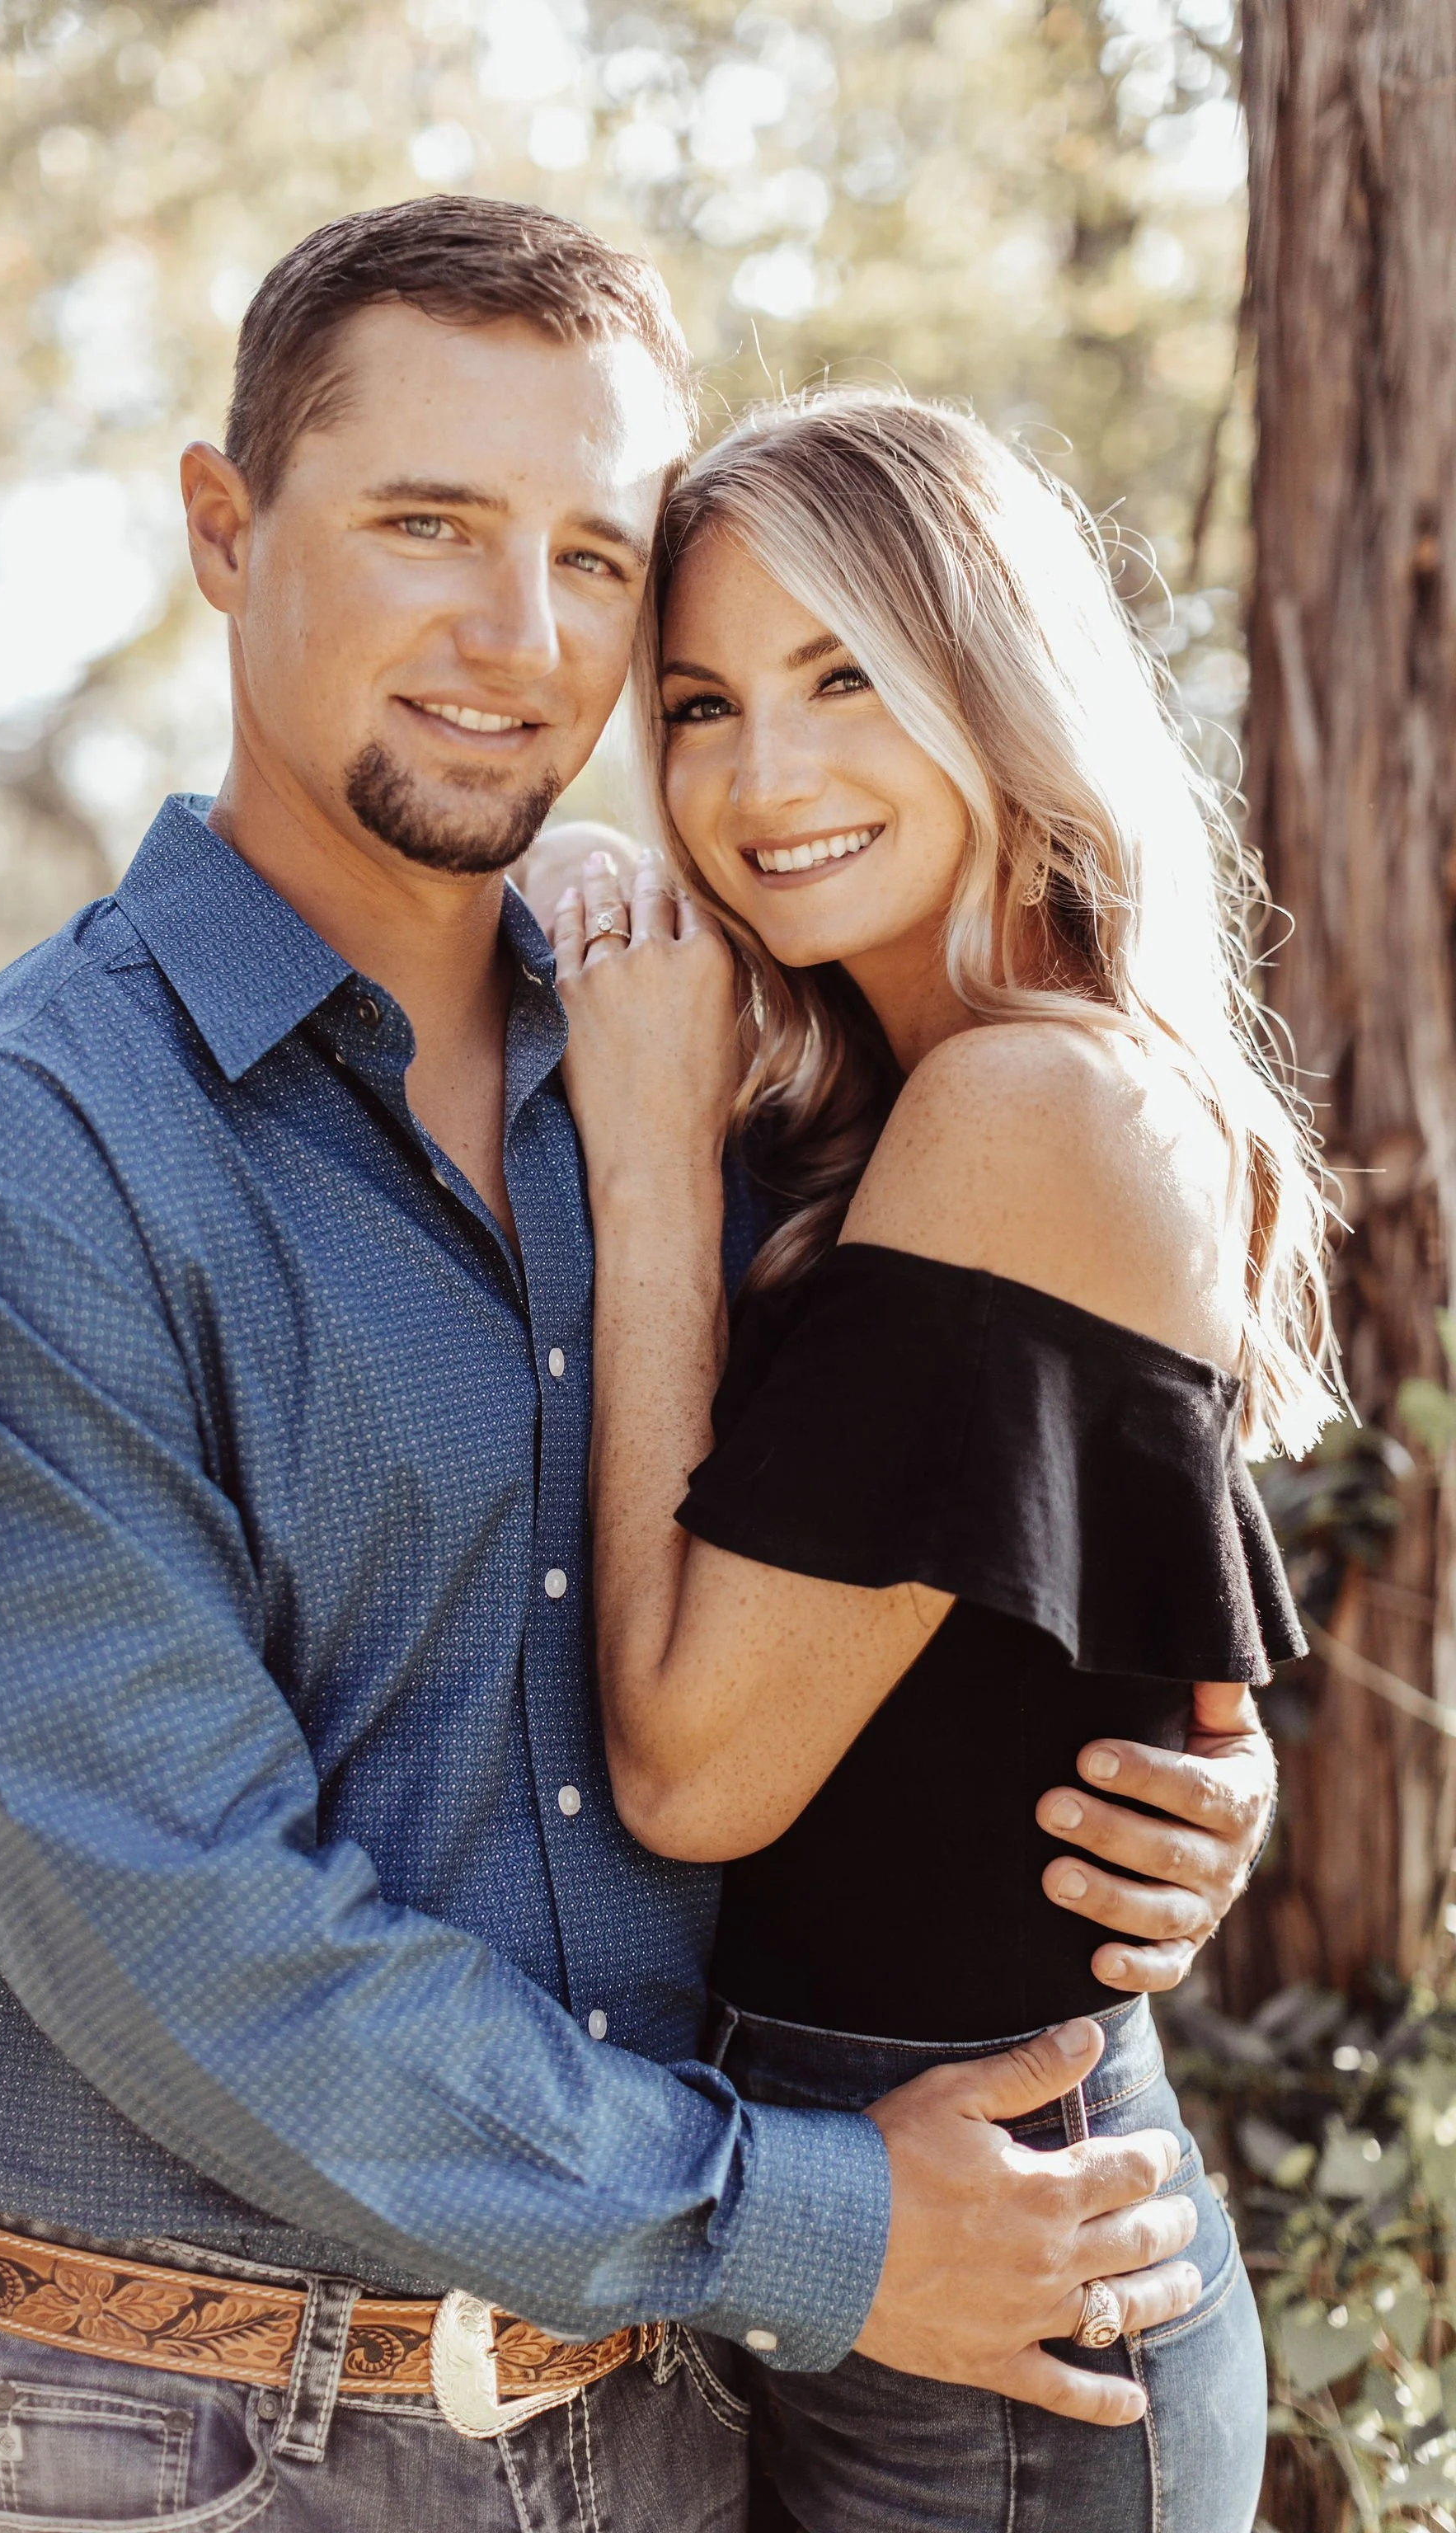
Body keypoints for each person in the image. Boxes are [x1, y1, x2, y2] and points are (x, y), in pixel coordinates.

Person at [0, 206, 1275, 2533]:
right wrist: (824, 2225)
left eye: (596, 558)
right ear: (221, 527)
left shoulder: (726, 1065)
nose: (520, 641)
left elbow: (963, 1506)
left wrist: (1163, 1758)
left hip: (682, 2415)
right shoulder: (11, 1162)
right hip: (195, 2444)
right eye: (427, 528)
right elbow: (194, 1941)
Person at [552, 388, 1335, 2531]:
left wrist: (639, 1161)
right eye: (702, 703)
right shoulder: (883, 1103)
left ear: (999, 681)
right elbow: (1120, 1630)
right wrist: (1215, 1764)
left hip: (994, 2267)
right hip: (877, 2213)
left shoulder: (1027, 1106)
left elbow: (695, 1773)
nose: (764, 778)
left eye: (847, 677)